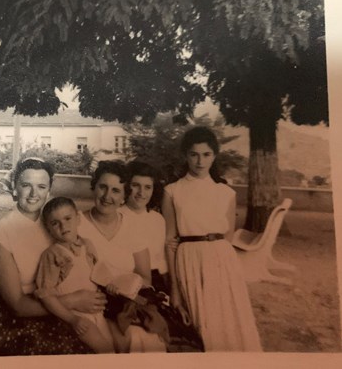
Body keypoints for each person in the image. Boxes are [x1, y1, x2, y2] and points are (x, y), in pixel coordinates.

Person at [0, 157, 106, 356]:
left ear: (49, 189)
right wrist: (72, 301)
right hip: (26, 314)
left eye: (41, 186)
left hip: (68, 305)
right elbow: (17, 305)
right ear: (14, 187)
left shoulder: (54, 222)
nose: (34, 194)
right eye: (26, 185)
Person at [162, 126, 262, 351]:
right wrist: (175, 290)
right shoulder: (172, 191)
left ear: (214, 156)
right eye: (194, 154)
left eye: (206, 154)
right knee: (201, 329)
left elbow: (226, 239)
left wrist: (224, 272)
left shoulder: (226, 193)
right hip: (189, 261)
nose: (200, 161)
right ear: (185, 155)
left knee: (229, 325)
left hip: (221, 264)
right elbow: (169, 242)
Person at [78, 160, 168, 353]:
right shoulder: (77, 223)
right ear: (94, 187)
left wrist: (122, 286)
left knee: (145, 338)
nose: (107, 196)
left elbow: (145, 277)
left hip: (125, 302)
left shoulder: (133, 228)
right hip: (88, 303)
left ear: (123, 195)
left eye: (115, 191)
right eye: (103, 187)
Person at [35, 197, 115, 354]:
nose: (63, 226)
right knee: (107, 352)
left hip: (96, 311)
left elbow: (98, 273)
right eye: (55, 223)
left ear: (78, 218)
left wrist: (109, 284)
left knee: (113, 346)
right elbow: (45, 295)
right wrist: (72, 319)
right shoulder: (52, 254)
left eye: (67, 218)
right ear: (48, 228)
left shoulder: (88, 244)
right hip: (73, 314)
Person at [119, 161, 169, 293]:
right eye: (135, 185)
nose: (141, 192)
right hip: (127, 282)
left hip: (158, 281)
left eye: (148, 187)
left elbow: (161, 261)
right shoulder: (117, 216)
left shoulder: (158, 219)